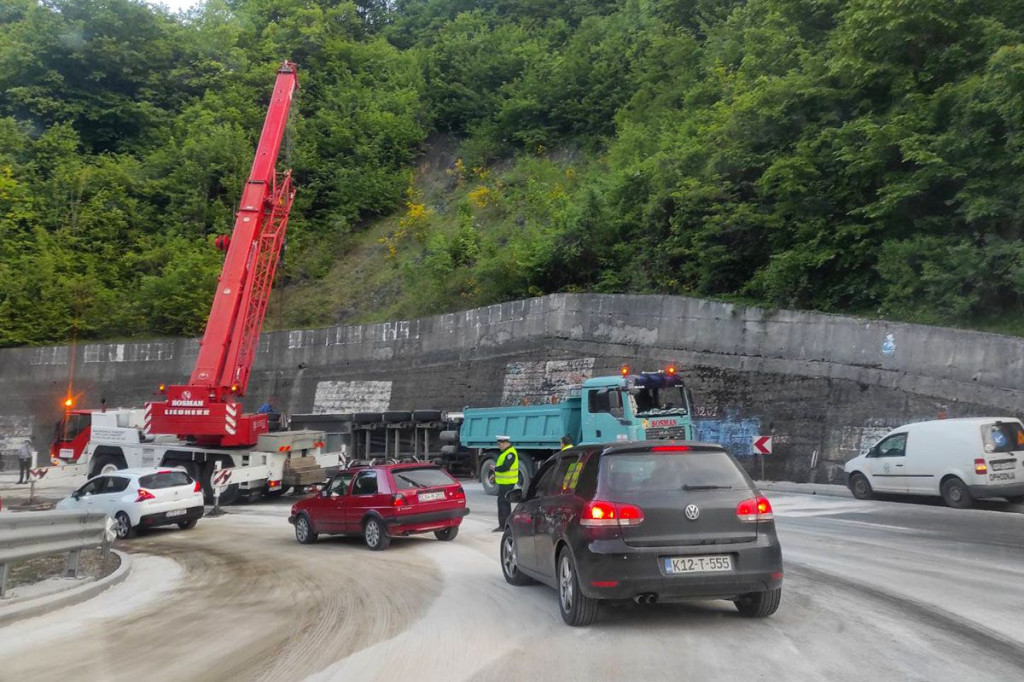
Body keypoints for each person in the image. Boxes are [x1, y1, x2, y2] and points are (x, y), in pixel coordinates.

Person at [493, 435, 518, 532]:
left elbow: (505, 467)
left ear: (505, 443)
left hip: (507, 483)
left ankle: (503, 526)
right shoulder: (506, 453)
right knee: (504, 503)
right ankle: (505, 525)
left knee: (503, 504)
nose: (499, 446)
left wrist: (495, 468)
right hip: (504, 483)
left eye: (500, 444)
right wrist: (494, 475)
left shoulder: (510, 453)